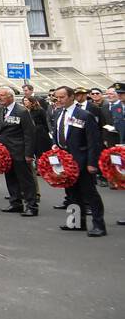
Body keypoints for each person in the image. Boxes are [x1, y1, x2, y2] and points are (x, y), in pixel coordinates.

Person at [51, 85, 106, 237]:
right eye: (57, 97)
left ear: (71, 97)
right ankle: (75, 222)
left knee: (90, 194)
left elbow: (93, 141)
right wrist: (56, 144)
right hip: (65, 160)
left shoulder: (84, 115)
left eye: (62, 97)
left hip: (81, 160)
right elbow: (57, 133)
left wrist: (92, 163)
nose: (59, 100)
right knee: (72, 193)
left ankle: (99, 225)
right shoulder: (58, 113)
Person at [0, 86, 38, 217]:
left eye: (2, 95)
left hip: (20, 150)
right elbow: (2, 127)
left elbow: (30, 133)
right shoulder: (0, 109)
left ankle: (31, 206)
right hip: (5, 151)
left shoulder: (22, 111)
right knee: (10, 177)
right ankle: (15, 203)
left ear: (10, 97)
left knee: (25, 180)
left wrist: (29, 154)